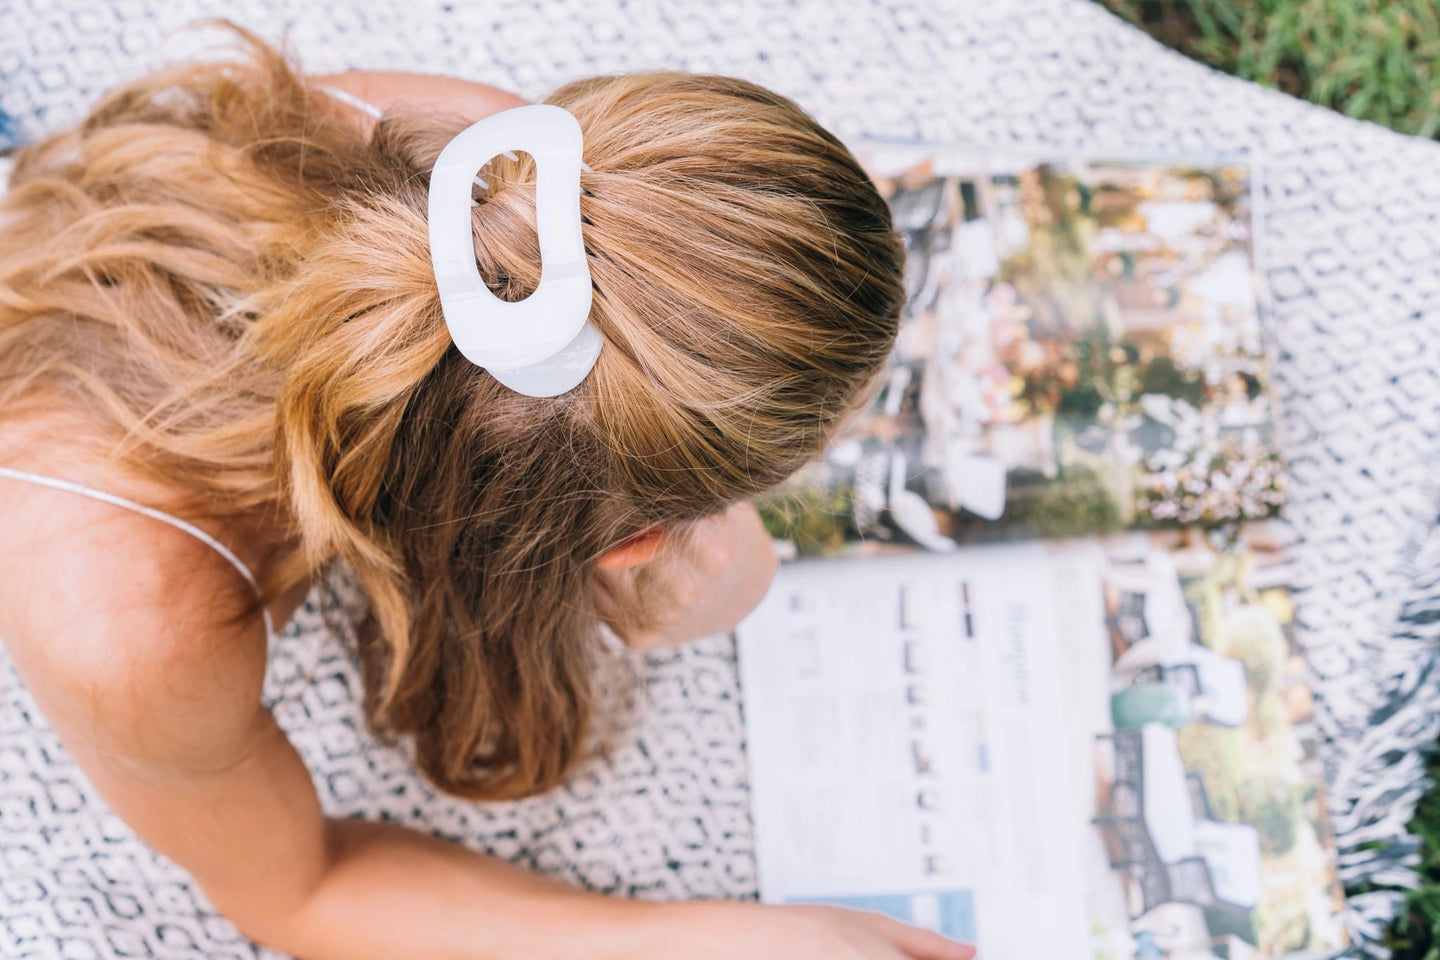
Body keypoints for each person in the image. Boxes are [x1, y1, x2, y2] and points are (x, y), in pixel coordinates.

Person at [0, 25, 974, 960]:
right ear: (623, 549)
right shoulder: (128, 625)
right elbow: (296, 886)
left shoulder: (511, 177)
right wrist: (696, 939)